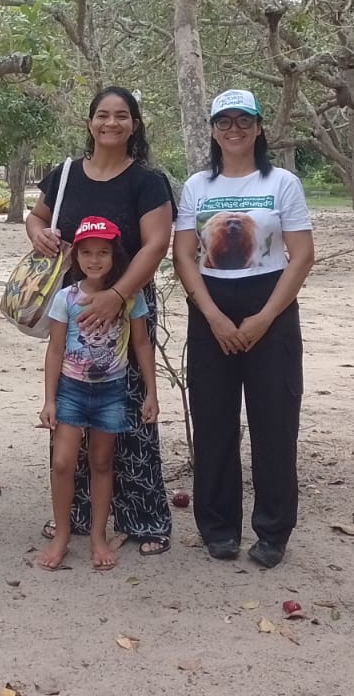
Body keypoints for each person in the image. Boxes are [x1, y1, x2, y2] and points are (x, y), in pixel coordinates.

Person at [25, 87, 174, 554]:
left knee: (126, 422)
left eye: (122, 116)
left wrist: (117, 295)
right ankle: (71, 517)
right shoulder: (66, 173)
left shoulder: (147, 181)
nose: (112, 123)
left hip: (126, 312)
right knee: (71, 420)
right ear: (90, 123)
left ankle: (143, 519)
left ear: (134, 124)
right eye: (103, 115)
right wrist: (40, 237)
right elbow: (36, 219)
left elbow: (155, 244)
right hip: (74, 309)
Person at [172, 89, 314, 569]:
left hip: (269, 303)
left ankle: (273, 532)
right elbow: (184, 257)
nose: (234, 129)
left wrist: (265, 317)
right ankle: (219, 528)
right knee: (214, 421)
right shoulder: (197, 186)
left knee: (275, 422)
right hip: (211, 302)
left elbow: (301, 256)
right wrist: (211, 314)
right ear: (212, 129)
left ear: (258, 127)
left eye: (244, 120)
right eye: (224, 121)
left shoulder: (282, 183)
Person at [38, 217, 158, 572]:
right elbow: (55, 350)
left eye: (102, 253)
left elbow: (141, 343)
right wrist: (49, 399)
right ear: (76, 256)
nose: (94, 260)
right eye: (87, 253)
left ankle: (97, 535)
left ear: (113, 255)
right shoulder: (66, 298)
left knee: (102, 463)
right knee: (62, 463)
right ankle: (62, 535)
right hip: (71, 391)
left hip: (111, 391)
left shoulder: (128, 298)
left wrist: (151, 392)